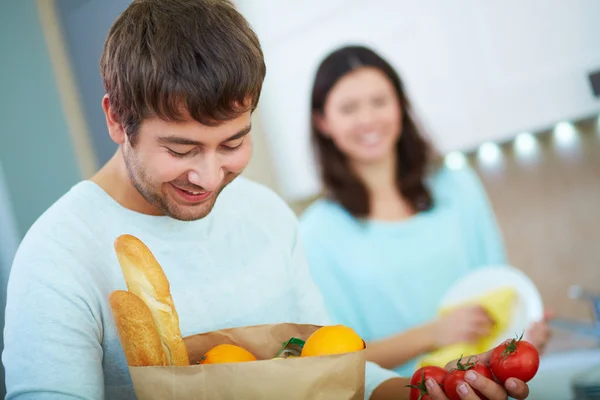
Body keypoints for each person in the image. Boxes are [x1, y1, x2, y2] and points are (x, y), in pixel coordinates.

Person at [2, 2, 532, 399]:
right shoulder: (59, 255)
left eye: (233, 143)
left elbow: (334, 370)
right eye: (181, 148)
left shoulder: (268, 215)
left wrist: (428, 390)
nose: (209, 176)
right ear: (117, 119)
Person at [299, 45, 552, 377]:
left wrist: (523, 336)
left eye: (379, 101)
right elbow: (339, 361)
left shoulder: (457, 186)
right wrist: (432, 334)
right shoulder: (315, 232)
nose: (368, 119)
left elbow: (498, 292)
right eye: (348, 108)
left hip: (486, 384)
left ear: (400, 105)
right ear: (323, 122)